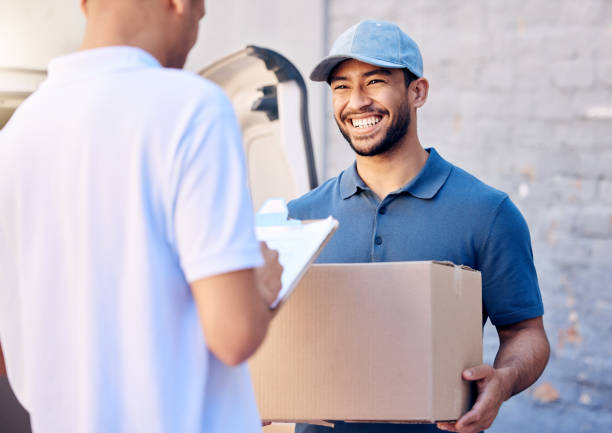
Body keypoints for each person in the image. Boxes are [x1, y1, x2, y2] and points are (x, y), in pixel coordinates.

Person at [0, 0, 283, 432]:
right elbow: (235, 334)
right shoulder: (191, 106)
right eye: (200, 16)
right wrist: (259, 283)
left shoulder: (16, 135)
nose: (194, 31)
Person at [288, 20, 550, 433]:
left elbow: (526, 333)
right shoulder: (299, 218)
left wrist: (502, 382)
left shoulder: (487, 212)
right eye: (341, 86)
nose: (356, 101)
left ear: (417, 91)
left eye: (374, 81)